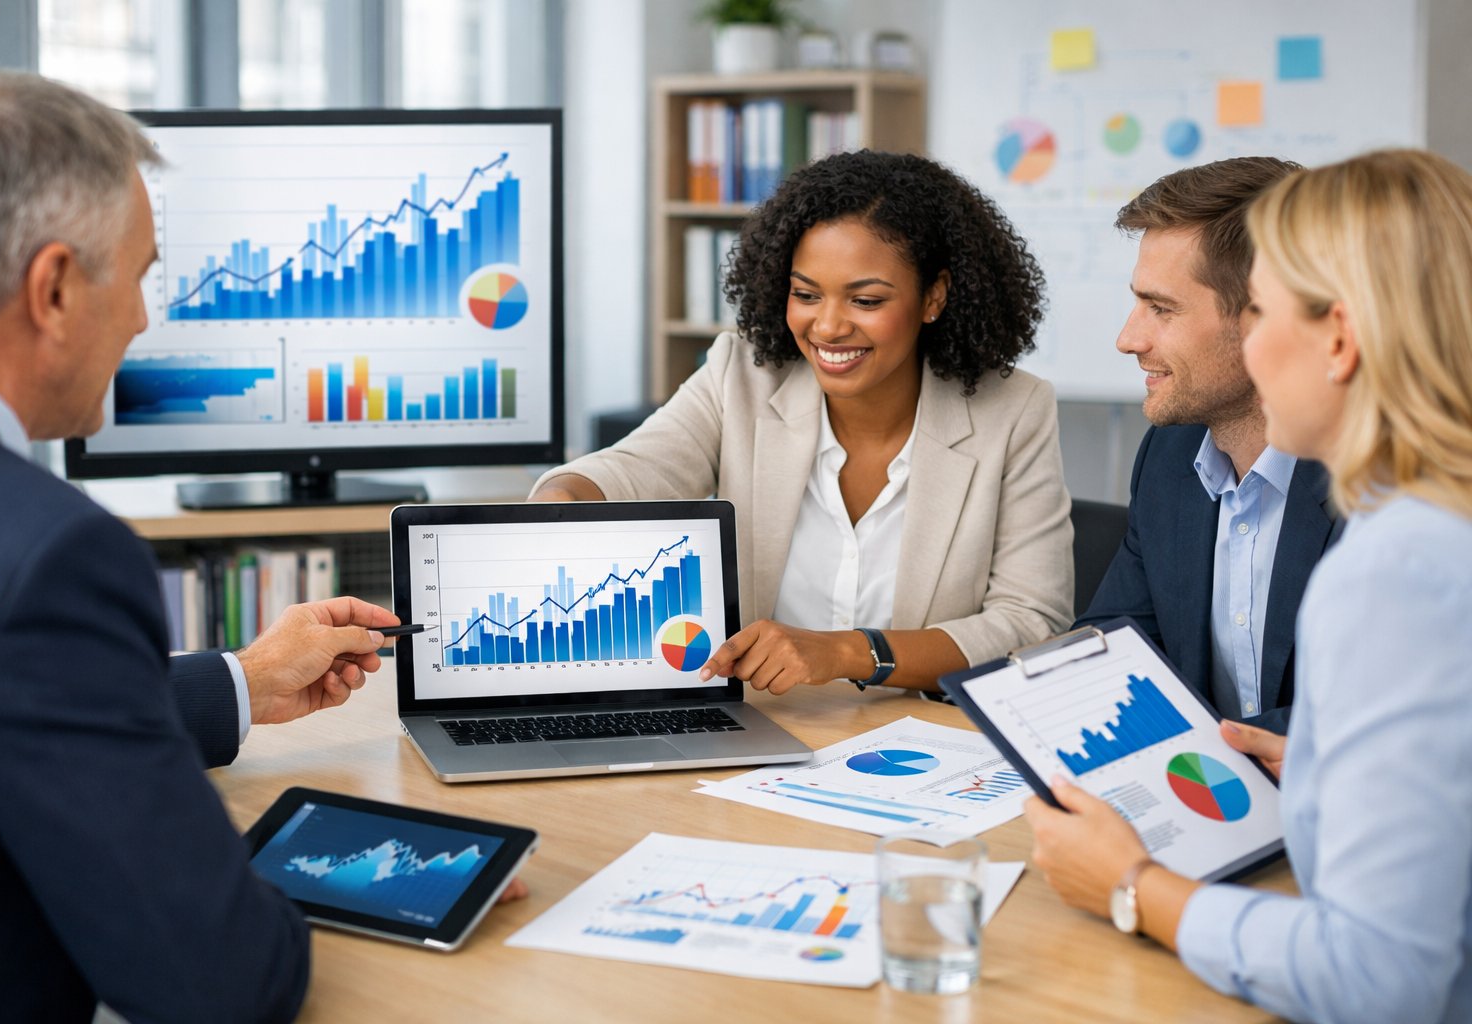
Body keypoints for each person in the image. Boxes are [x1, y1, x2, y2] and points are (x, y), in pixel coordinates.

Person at [0, 71, 520, 1023]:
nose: (143, 317)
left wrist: (240, 681)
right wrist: (354, 873)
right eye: (137, 275)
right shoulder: (46, 557)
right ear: (51, 288)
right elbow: (220, 986)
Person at [1026, 149, 1472, 1024]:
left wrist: (1132, 885)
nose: (1127, 337)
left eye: (1264, 311)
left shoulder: (1396, 569)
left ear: (1339, 338)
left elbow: (1379, 980)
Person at [533, 150, 1073, 695]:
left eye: (865, 299)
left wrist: (849, 652)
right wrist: (561, 502)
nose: (829, 326)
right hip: (762, 730)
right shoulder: (740, 376)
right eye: (806, 294)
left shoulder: (1013, 411)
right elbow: (636, 469)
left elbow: (1031, 623)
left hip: (919, 739)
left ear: (933, 296)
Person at [1076, 157, 1345, 733]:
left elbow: (1380, 714)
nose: (1129, 339)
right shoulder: (1169, 456)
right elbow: (1113, 646)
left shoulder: (1384, 478)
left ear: (1264, 317)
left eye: (1161, 308)